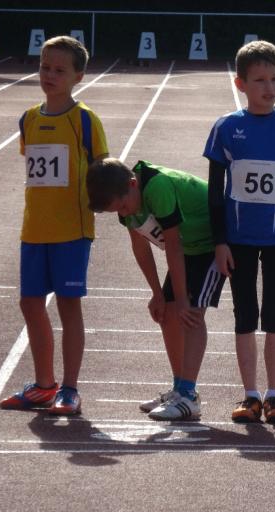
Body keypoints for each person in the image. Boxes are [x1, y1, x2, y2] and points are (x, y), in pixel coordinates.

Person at [203, 40, 275, 425]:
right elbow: (215, 192)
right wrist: (220, 241)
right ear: (241, 84)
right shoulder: (226, 128)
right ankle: (250, 394)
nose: (269, 87)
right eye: (260, 80)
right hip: (238, 240)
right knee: (244, 315)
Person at [0, 36, 108, 416]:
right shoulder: (29, 118)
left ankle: (70, 388)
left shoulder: (85, 120)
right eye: (45, 67)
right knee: (30, 302)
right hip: (34, 228)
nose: (49, 74)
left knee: (68, 304)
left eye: (59, 70)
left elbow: (101, 170)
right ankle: (44, 385)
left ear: (78, 76)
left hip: (71, 230)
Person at [86, 158, 225, 421]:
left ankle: (188, 395)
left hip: (212, 242)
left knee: (191, 314)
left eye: (123, 206)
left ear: (132, 184)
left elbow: (173, 245)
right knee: (167, 314)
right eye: (118, 211)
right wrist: (157, 294)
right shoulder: (127, 200)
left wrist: (181, 299)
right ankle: (179, 388)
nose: (124, 213)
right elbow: (140, 247)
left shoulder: (158, 188)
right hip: (189, 247)